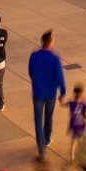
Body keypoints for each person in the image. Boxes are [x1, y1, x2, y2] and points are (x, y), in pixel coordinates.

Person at [29, 30, 67, 158]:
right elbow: (60, 76)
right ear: (50, 42)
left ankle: (41, 146)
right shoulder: (54, 58)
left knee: (38, 119)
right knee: (48, 117)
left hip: (38, 92)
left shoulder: (34, 56)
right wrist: (62, 92)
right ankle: (46, 139)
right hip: (50, 93)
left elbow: (30, 71)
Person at [66, 84, 86, 162]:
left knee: (74, 142)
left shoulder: (71, 103)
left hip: (74, 125)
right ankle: (83, 154)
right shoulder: (84, 104)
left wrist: (60, 100)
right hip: (81, 125)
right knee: (81, 140)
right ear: (82, 94)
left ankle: (72, 157)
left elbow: (62, 104)